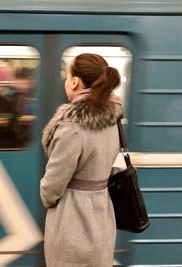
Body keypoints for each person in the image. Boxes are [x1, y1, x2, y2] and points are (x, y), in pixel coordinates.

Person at [40, 53, 123, 267]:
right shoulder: (112, 117)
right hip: (103, 216)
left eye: (67, 76)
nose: (65, 82)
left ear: (75, 81)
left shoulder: (72, 124)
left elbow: (53, 186)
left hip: (73, 222)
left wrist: (47, 197)